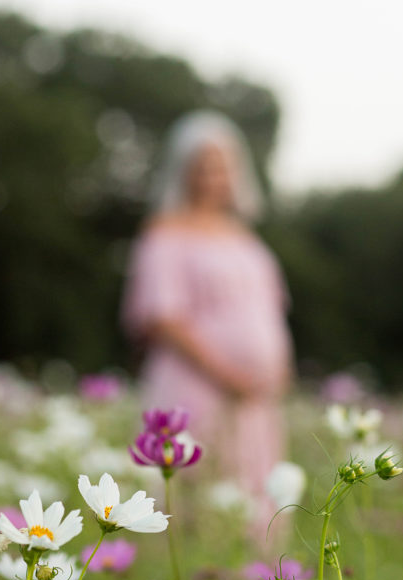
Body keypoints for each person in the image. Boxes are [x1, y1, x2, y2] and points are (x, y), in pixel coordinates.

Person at [121, 110, 294, 530]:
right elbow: (164, 317)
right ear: (183, 171)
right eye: (202, 166)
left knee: (252, 500)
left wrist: (278, 371)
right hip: (194, 387)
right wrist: (227, 373)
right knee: (193, 498)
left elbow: (270, 310)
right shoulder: (165, 232)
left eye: (221, 166)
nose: (212, 177)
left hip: (256, 400)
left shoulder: (245, 236)